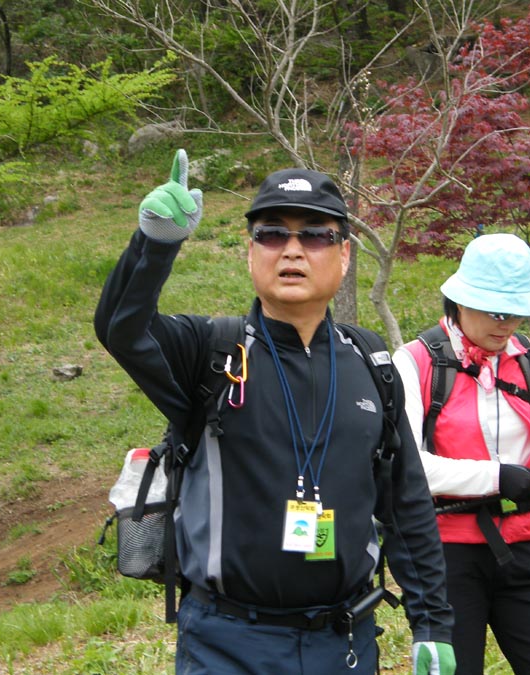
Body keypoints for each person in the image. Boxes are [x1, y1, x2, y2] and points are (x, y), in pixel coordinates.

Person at [95, 149, 455, 675]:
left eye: (315, 235)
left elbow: (405, 499)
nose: (292, 250)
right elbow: (121, 329)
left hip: (345, 641)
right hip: (227, 644)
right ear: (250, 253)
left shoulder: (370, 359)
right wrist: (154, 244)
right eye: (271, 234)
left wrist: (432, 625)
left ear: (345, 254)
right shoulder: (210, 352)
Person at [392, 233, 530, 675]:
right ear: (459, 301)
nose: (506, 323)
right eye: (495, 311)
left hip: (524, 547)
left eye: (517, 312)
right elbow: (409, 467)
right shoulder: (414, 361)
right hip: (444, 556)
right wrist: (497, 476)